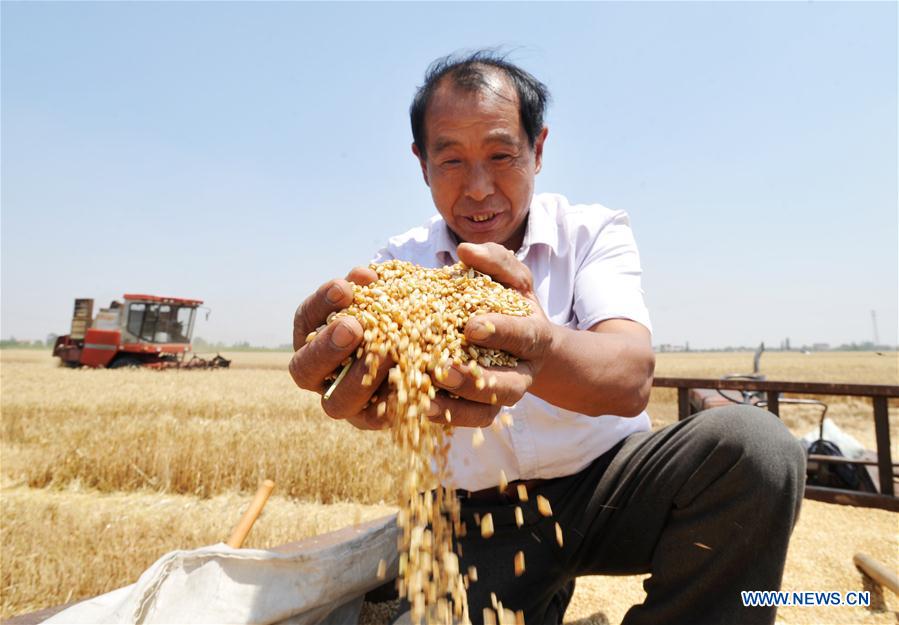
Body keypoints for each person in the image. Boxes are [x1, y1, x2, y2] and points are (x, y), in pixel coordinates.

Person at [289, 51, 806, 625]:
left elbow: (630, 374)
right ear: (422, 165)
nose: (479, 188)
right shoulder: (397, 267)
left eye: (502, 155)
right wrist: (340, 369)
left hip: (609, 483)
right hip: (475, 513)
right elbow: (363, 376)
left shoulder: (590, 232)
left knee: (755, 449)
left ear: (538, 149)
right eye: (452, 160)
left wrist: (541, 347)